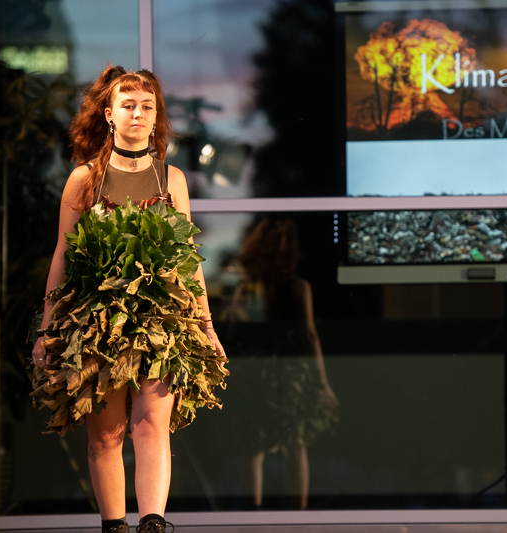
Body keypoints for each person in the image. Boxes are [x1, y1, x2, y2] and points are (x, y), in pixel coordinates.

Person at [31, 66, 225, 533]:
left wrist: (206, 325)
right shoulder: (84, 178)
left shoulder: (171, 179)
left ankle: (153, 525)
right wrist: (48, 326)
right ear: (109, 114)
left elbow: (188, 258)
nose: (138, 113)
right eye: (128, 105)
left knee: (152, 424)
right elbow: (63, 255)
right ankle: (114, 526)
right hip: (97, 319)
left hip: (161, 319)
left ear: (156, 116)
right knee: (107, 434)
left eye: (147, 106)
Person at [224, 218, 338, 510]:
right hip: (289, 374)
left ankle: (253, 513)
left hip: (257, 372)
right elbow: (309, 335)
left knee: (254, 447)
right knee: (295, 446)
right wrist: (322, 381)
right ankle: (298, 513)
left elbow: (234, 331)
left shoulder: (249, 288)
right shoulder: (297, 287)